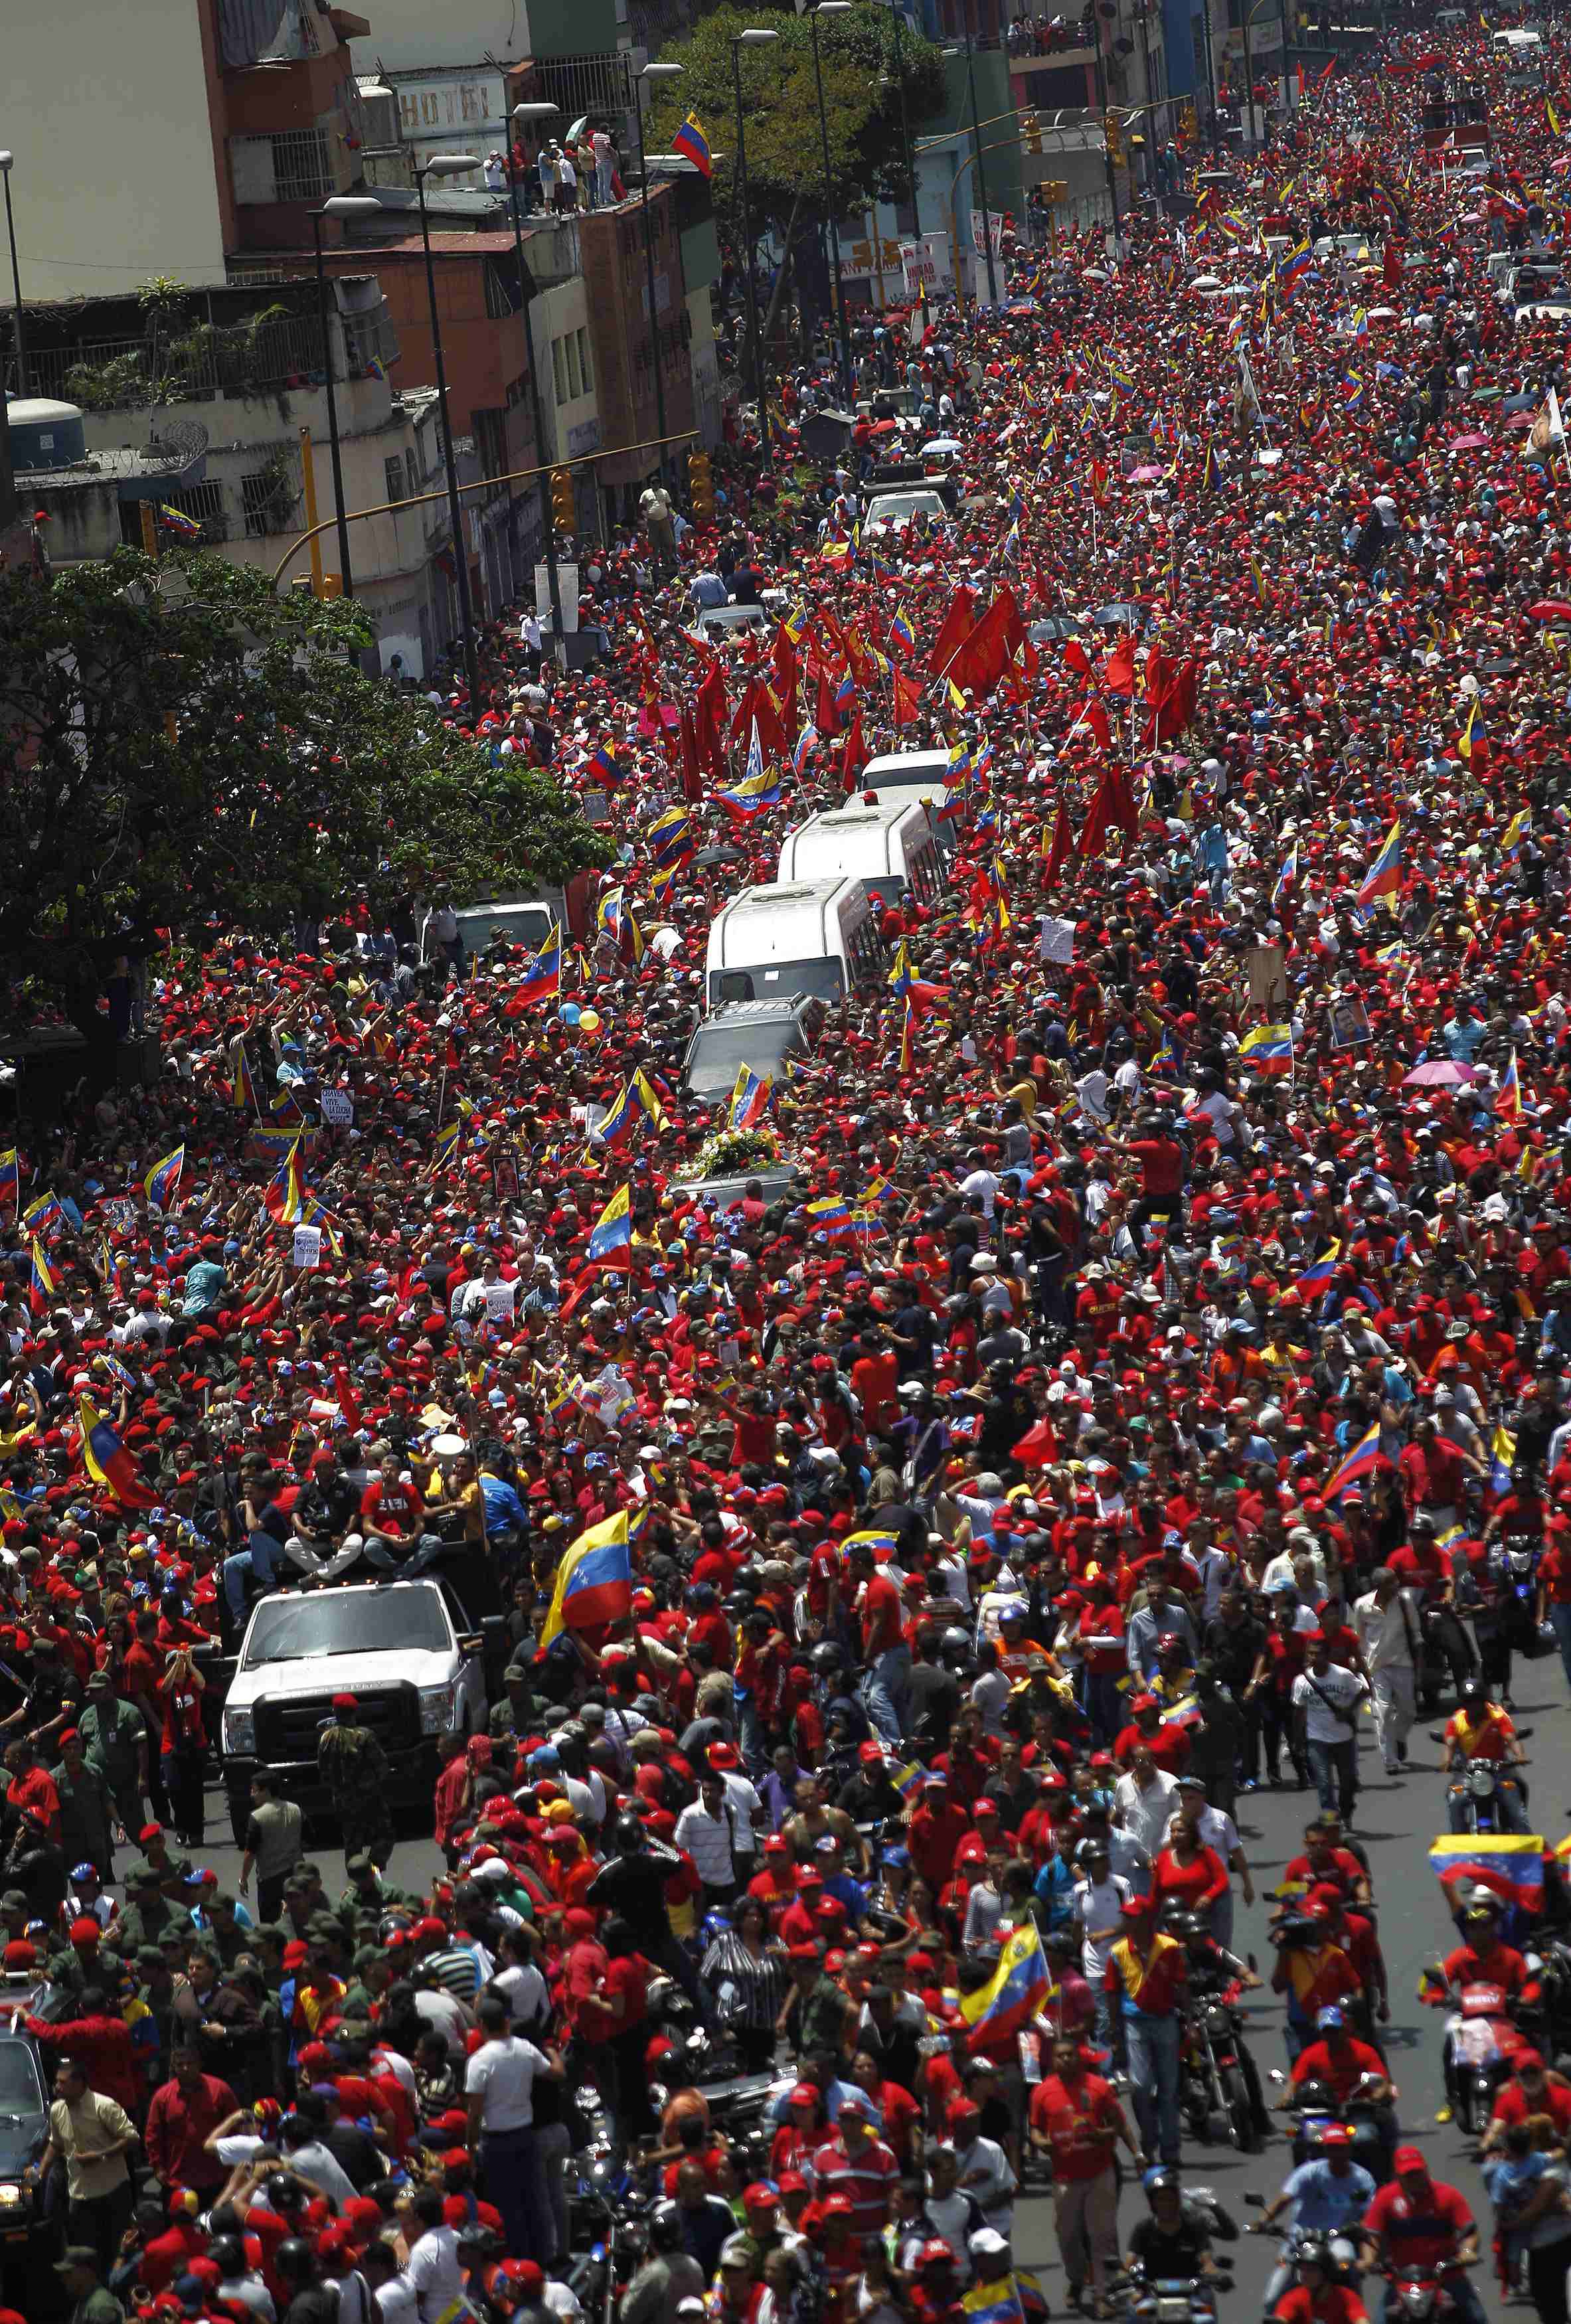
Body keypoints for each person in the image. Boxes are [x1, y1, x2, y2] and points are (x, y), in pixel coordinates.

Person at [1027, 2033, 1139, 2312]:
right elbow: (1035, 2131)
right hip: (1065, 2178)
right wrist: (1042, 2143)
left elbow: (1119, 2124)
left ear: (1079, 2057)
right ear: (1052, 2061)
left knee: (1102, 2236)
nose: (1066, 2059)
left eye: (1070, 2054)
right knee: (1067, 2237)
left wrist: (1134, 2152)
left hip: (1100, 2173)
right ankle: (1076, 2279)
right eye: (1060, 2055)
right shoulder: (1042, 2093)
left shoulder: (1099, 2087)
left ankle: (1103, 2295)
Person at [33, 2057, 137, 2271]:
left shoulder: (104, 2106)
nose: (57, 2087)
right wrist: (41, 2171)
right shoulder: (57, 2110)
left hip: (112, 2193)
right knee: (87, 2257)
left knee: (115, 2253)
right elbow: (56, 2143)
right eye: (57, 2082)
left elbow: (132, 2138)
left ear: (80, 2083)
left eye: (63, 2083)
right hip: (79, 2196)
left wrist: (100, 2155)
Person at [1360, 2149, 1487, 2324]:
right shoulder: (1385, 2198)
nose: (1415, 2179)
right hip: (1402, 2279)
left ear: (1426, 2170)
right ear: (1398, 2176)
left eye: (1417, 2173)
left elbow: (1469, 2232)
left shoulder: (1448, 2195)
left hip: (1446, 2275)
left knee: (1478, 2319)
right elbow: (1371, 2235)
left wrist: (1466, 2252)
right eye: (1409, 2175)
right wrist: (1368, 2260)